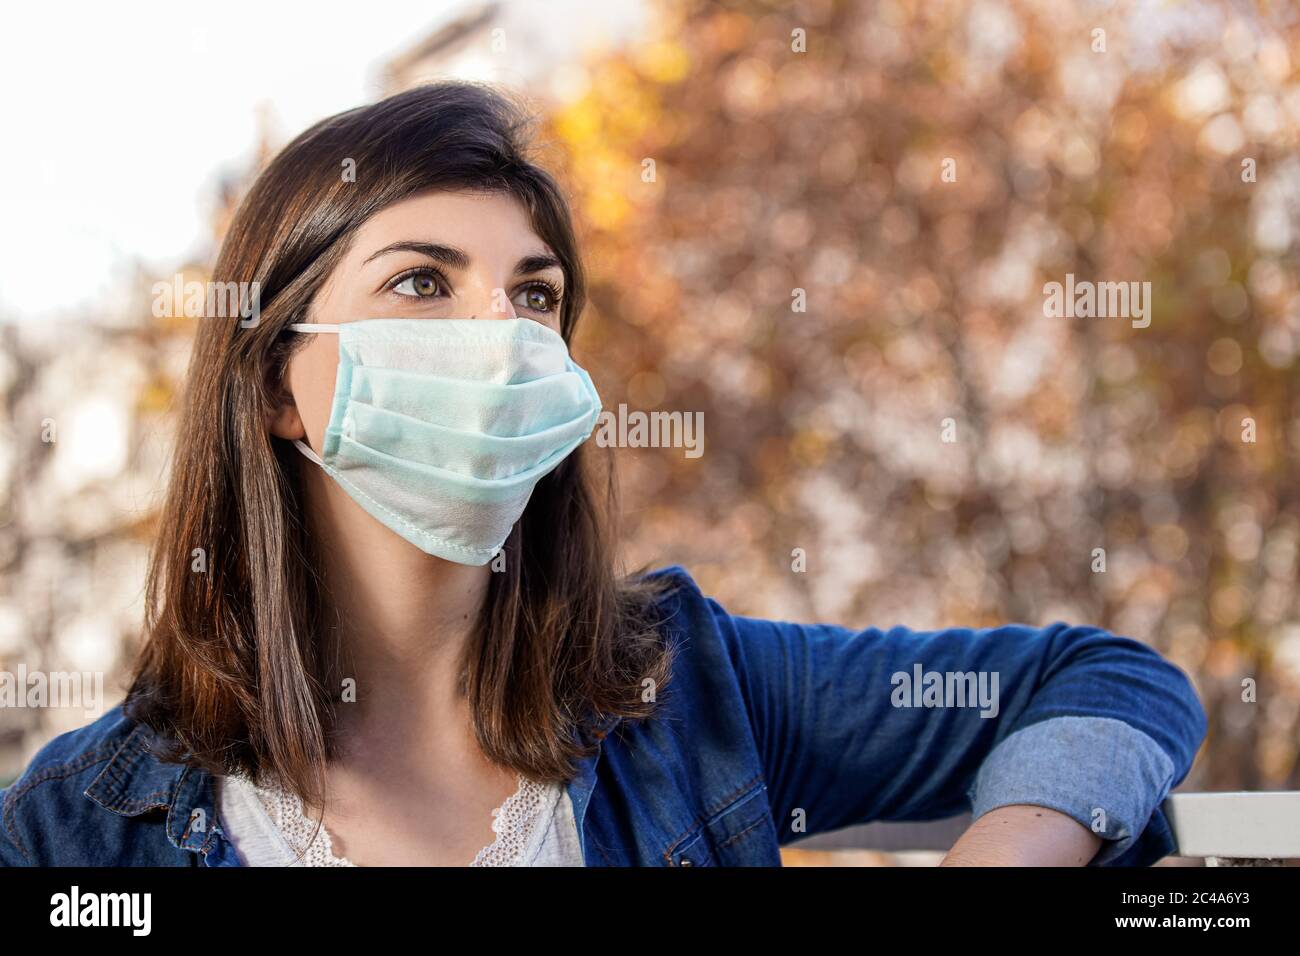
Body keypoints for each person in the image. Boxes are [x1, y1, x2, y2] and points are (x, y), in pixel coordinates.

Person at [0, 82, 1205, 867]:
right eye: (424, 281)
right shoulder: (77, 828)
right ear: (272, 384)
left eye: (536, 294)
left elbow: (1102, 681)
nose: (505, 332)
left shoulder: (690, 689)